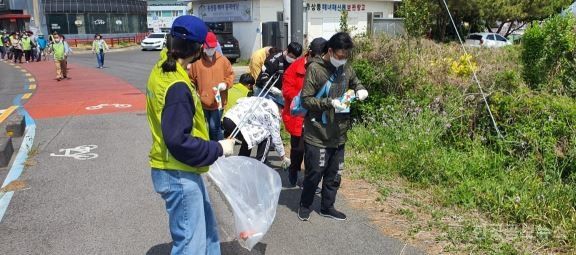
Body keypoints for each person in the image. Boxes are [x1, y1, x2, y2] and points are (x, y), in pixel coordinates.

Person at [146, 15, 235, 255]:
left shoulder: (164, 67)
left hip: (177, 168)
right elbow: (178, 140)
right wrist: (218, 148)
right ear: (197, 50)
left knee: (206, 231)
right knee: (190, 244)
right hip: (178, 172)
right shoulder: (177, 86)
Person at [297, 32, 369, 221]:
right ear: (330, 51)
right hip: (318, 133)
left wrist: (360, 89)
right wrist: (330, 103)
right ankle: (305, 204)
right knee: (315, 173)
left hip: (339, 132)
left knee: (335, 174)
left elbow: (355, 81)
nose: (343, 59)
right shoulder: (315, 69)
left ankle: (327, 207)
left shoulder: (345, 66)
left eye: (346, 56)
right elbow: (306, 100)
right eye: (339, 56)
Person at [282, 37, 328, 187]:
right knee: (298, 148)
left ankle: (309, 179)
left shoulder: (326, 68)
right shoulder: (295, 67)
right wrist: (302, 97)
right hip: (299, 114)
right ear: (309, 53)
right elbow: (287, 90)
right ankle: (294, 168)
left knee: (312, 150)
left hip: (316, 114)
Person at [189, 31, 234, 141]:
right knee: (205, 127)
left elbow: (230, 75)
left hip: (218, 101)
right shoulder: (197, 62)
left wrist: (225, 84)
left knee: (214, 127)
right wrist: (194, 92)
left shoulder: (223, 60)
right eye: (208, 47)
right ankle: (211, 150)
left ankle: (218, 151)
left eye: (212, 47)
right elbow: (190, 80)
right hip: (202, 101)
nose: (210, 50)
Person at [222, 96, 290, 167]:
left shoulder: (262, 99)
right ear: (282, 109)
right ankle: (260, 165)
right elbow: (276, 138)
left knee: (250, 135)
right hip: (237, 124)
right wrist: (283, 157)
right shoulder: (273, 115)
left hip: (228, 117)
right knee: (267, 135)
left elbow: (239, 100)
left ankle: (242, 161)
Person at [254, 42, 303, 107]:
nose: (292, 59)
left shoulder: (293, 63)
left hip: (280, 93)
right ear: (287, 50)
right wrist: (273, 89)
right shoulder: (274, 59)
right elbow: (264, 77)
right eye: (291, 56)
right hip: (264, 90)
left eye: (294, 58)